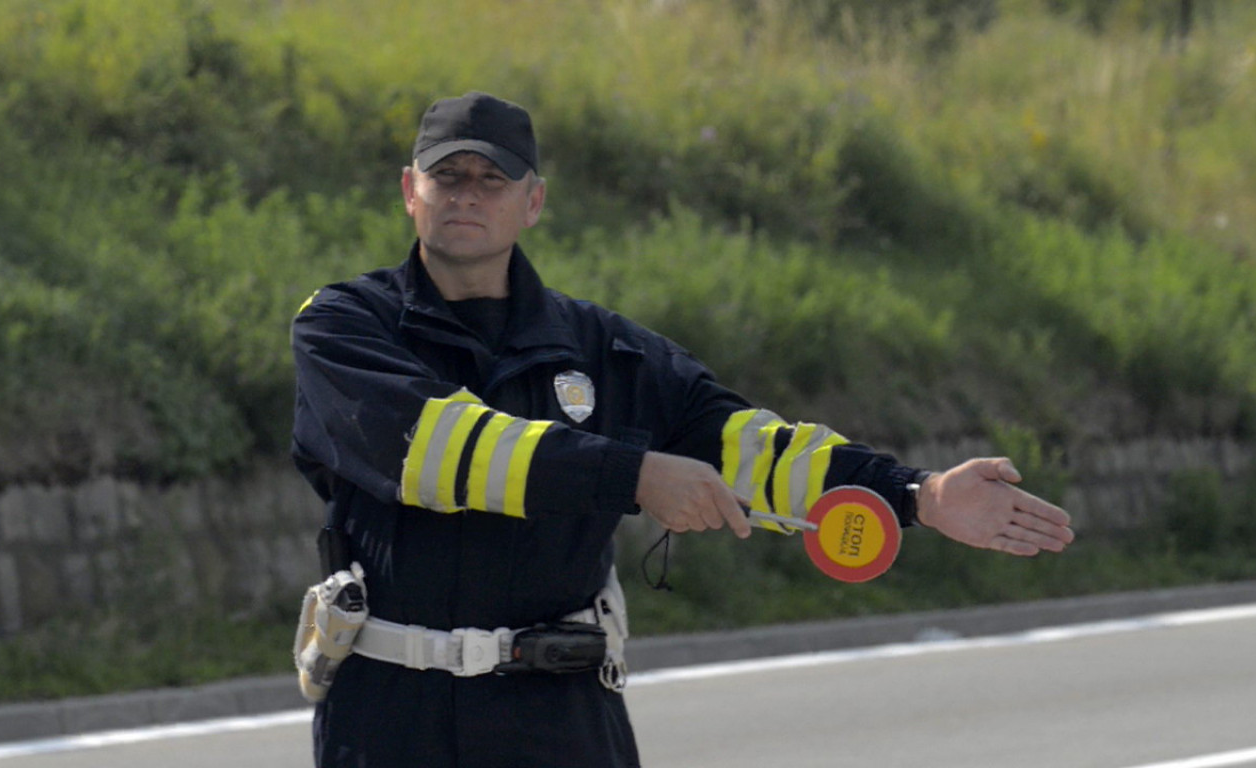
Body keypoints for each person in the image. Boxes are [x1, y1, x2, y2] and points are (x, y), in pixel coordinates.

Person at [290, 91, 1074, 768]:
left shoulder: (607, 349)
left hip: (560, 714)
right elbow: (437, 450)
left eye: (492, 179)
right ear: (410, 191)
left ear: (532, 203)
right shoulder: (343, 325)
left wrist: (915, 494)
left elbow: (747, 448)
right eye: (447, 176)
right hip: (390, 716)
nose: (467, 195)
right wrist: (634, 475)